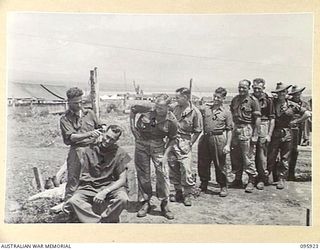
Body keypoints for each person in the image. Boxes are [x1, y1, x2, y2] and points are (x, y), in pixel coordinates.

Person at [66, 125, 130, 223]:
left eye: (112, 139)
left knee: (123, 199)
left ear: (116, 140)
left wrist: (105, 191)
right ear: (103, 133)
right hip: (90, 186)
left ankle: (106, 218)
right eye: (107, 137)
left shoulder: (120, 153)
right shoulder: (89, 149)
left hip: (110, 186)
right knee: (73, 201)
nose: (108, 141)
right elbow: (79, 174)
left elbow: (122, 179)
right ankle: (97, 222)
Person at [130, 94, 178, 220]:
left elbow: (172, 139)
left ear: (168, 107)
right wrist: (133, 129)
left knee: (162, 174)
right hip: (141, 145)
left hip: (158, 146)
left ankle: (164, 204)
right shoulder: (147, 108)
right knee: (143, 175)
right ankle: (145, 202)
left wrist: (165, 156)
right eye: (157, 107)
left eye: (161, 108)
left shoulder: (171, 120)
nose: (158, 110)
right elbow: (133, 109)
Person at [60, 87, 106, 203]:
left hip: (93, 150)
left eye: (81, 102)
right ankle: (69, 207)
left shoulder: (89, 113)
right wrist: (90, 133)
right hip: (77, 151)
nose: (79, 105)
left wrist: (103, 129)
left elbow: (101, 125)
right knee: (74, 180)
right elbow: (72, 137)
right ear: (69, 102)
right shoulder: (65, 119)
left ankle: (92, 206)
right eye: (76, 103)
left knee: (95, 178)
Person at [267, 83, 311, 189]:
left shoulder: (292, 105)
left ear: (287, 93)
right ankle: (268, 177)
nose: (281, 94)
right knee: (271, 156)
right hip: (274, 133)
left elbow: (307, 114)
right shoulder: (272, 103)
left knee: (285, 157)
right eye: (279, 92)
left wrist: (296, 121)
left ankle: (282, 179)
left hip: (287, 133)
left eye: (283, 92)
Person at [168, 87, 202, 206]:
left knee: (186, 169)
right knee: (173, 167)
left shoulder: (195, 112)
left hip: (185, 142)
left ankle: (188, 194)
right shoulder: (174, 108)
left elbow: (198, 130)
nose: (176, 99)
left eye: (178, 97)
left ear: (186, 97)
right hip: (172, 141)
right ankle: (178, 192)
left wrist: (190, 143)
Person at [197, 87, 233, 197]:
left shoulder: (226, 112)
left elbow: (229, 130)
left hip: (218, 139)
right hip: (205, 138)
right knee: (203, 162)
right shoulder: (206, 109)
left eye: (218, 97)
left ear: (223, 98)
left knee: (220, 163)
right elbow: (195, 108)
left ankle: (223, 185)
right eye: (214, 96)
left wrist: (227, 145)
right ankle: (204, 184)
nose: (215, 99)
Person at [229, 79, 261, 193]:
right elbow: (232, 115)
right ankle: (237, 179)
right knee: (235, 156)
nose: (241, 89)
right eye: (240, 87)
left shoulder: (253, 101)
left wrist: (255, 135)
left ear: (249, 88)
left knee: (248, 156)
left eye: (244, 87)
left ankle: (251, 180)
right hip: (235, 129)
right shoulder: (235, 99)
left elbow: (257, 119)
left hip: (247, 129)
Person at [251, 78, 275, 190]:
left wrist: (269, 134)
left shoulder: (268, 100)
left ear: (263, 88)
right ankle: (251, 178)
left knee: (262, 154)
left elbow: (272, 118)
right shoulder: (249, 98)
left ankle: (261, 179)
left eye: (259, 88)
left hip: (263, 125)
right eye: (255, 88)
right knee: (250, 153)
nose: (256, 90)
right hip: (251, 125)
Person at [287, 85, 311, 180]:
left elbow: (308, 115)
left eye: (298, 93)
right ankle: (282, 173)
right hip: (289, 129)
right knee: (285, 151)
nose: (297, 95)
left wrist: (297, 121)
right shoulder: (289, 103)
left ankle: (291, 173)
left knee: (294, 151)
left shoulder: (304, 104)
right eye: (295, 94)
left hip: (298, 130)